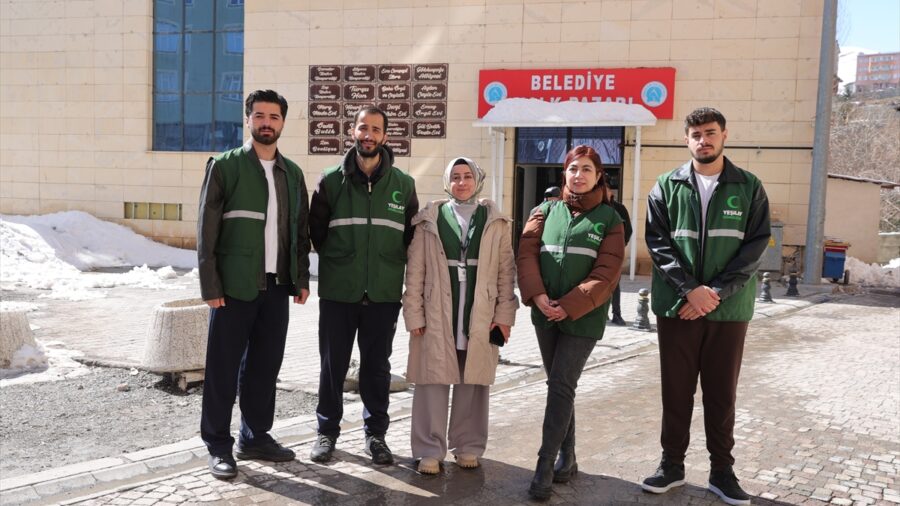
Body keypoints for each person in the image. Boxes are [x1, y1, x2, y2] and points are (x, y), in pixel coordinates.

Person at [641, 107, 770, 505]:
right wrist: (689, 291)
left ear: (724, 135)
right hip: (677, 308)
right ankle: (672, 466)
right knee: (675, 391)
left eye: (710, 133)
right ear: (686, 139)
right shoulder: (666, 186)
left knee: (720, 394)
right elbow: (658, 244)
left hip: (727, 311)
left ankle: (722, 471)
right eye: (696, 134)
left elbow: (755, 246)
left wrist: (712, 293)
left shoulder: (748, 187)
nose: (704, 140)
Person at [197, 89, 311, 480]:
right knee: (223, 368)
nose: (266, 123)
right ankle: (217, 443)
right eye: (259, 116)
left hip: (277, 286)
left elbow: (299, 232)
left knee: (265, 367)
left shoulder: (292, 174)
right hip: (232, 286)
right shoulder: (225, 167)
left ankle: (256, 436)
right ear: (247, 120)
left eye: (274, 117)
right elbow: (206, 231)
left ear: (282, 122)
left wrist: (300, 279)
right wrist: (210, 285)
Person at [308, 106, 419, 465]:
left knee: (377, 367)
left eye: (375, 129)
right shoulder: (330, 181)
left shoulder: (403, 185)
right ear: (352, 132)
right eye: (362, 127)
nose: (368, 134)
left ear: (385, 136)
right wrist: (346, 263)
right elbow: (317, 233)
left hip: (384, 293)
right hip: (340, 291)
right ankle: (327, 433)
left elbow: (410, 238)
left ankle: (376, 436)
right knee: (332, 365)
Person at [516, 145, 625, 500]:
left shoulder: (610, 219)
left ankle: (545, 464)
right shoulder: (543, 211)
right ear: (564, 173)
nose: (579, 175)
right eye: (573, 168)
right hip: (545, 314)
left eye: (587, 170)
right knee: (562, 386)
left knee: (560, 386)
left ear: (598, 177)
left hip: (584, 318)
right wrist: (538, 296)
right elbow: (527, 254)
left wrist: (570, 305)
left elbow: (607, 272)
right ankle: (570, 457)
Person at [402, 157, 519, 475]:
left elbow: (506, 272)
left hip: (480, 311)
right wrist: (414, 314)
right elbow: (415, 271)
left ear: (478, 181)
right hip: (437, 310)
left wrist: (505, 315)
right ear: (446, 182)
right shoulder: (429, 219)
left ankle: (467, 445)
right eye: (455, 176)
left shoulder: (495, 221)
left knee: (474, 381)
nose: (462, 182)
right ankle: (429, 449)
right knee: (432, 379)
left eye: (468, 176)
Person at [606, 184, 632, 325]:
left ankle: (617, 314)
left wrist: (622, 245)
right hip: (597, 253)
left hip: (615, 254)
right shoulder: (596, 207)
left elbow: (629, 229)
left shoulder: (619, 209)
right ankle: (601, 314)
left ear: (611, 191)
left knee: (615, 285)